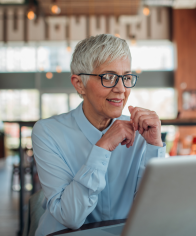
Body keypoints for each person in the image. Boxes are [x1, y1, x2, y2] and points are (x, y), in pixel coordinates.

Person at [32, 34, 166, 236]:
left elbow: (155, 210)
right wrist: (102, 147)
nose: (121, 89)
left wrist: (154, 147)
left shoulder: (141, 132)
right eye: (108, 77)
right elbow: (71, 217)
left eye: (126, 77)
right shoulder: (47, 133)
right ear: (79, 84)